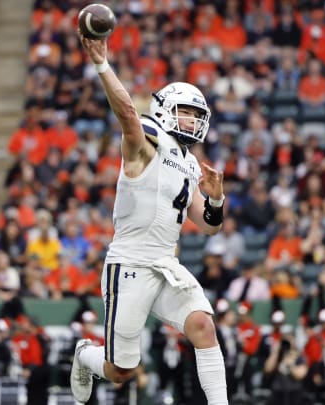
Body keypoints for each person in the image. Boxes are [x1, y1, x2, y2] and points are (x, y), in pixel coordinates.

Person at [69, 30, 228, 405]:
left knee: (204, 326)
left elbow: (208, 225)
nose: (190, 120)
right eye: (184, 111)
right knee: (121, 372)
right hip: (129, 263)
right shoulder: (148, 139)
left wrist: (216, 199)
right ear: (163, 109)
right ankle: (84, 355)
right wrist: (102, 64)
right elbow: (126, 114)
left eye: (195, 115)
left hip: (165, 264)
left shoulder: (190, 164)